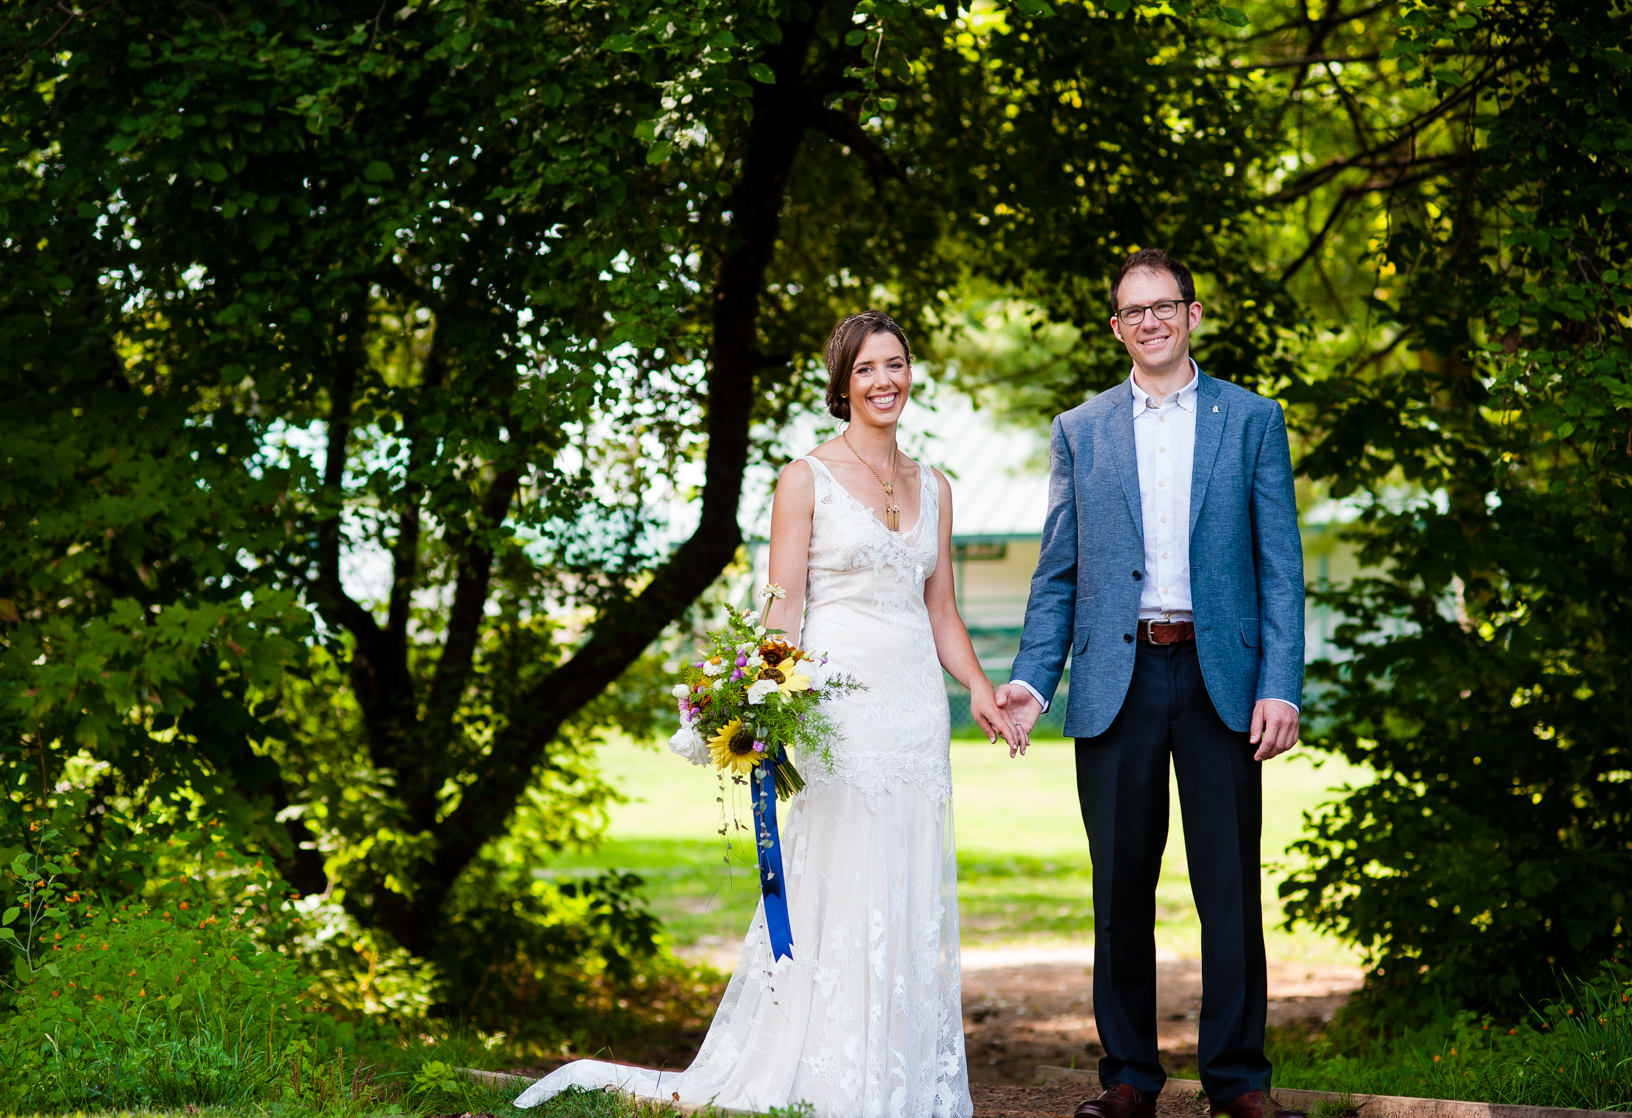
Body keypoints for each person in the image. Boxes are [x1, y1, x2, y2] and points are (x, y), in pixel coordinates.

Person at [515, 310, 1018, 1117]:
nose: (884, 381)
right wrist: (760, 700)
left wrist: (979, 690)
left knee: (909, 885)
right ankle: (828, 1075)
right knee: (841, 880)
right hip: (840, 712)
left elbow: (943, 612)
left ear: (910, 373)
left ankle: (903, 1078)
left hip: (917, 713)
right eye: (866, 370)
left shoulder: (937, 486)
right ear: (842, 384)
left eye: (895, 364)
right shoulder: (805, 477)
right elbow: (782, 609)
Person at [995, 250, 1308, 1118]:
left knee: (1228, 887)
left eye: (1165, 306)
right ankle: (1130, 1077)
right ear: (1116, 327)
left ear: (1194, 314)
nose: (1151, 322)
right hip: (1116, 679)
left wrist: (1280, 683)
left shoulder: (1251, 419)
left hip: (1222, 681)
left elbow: (1280, 567)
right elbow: (1059, 572)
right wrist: (1031, 676)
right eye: (1134, 312)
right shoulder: (1080, 429)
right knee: (1120, 883)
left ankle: (1238, 1081)